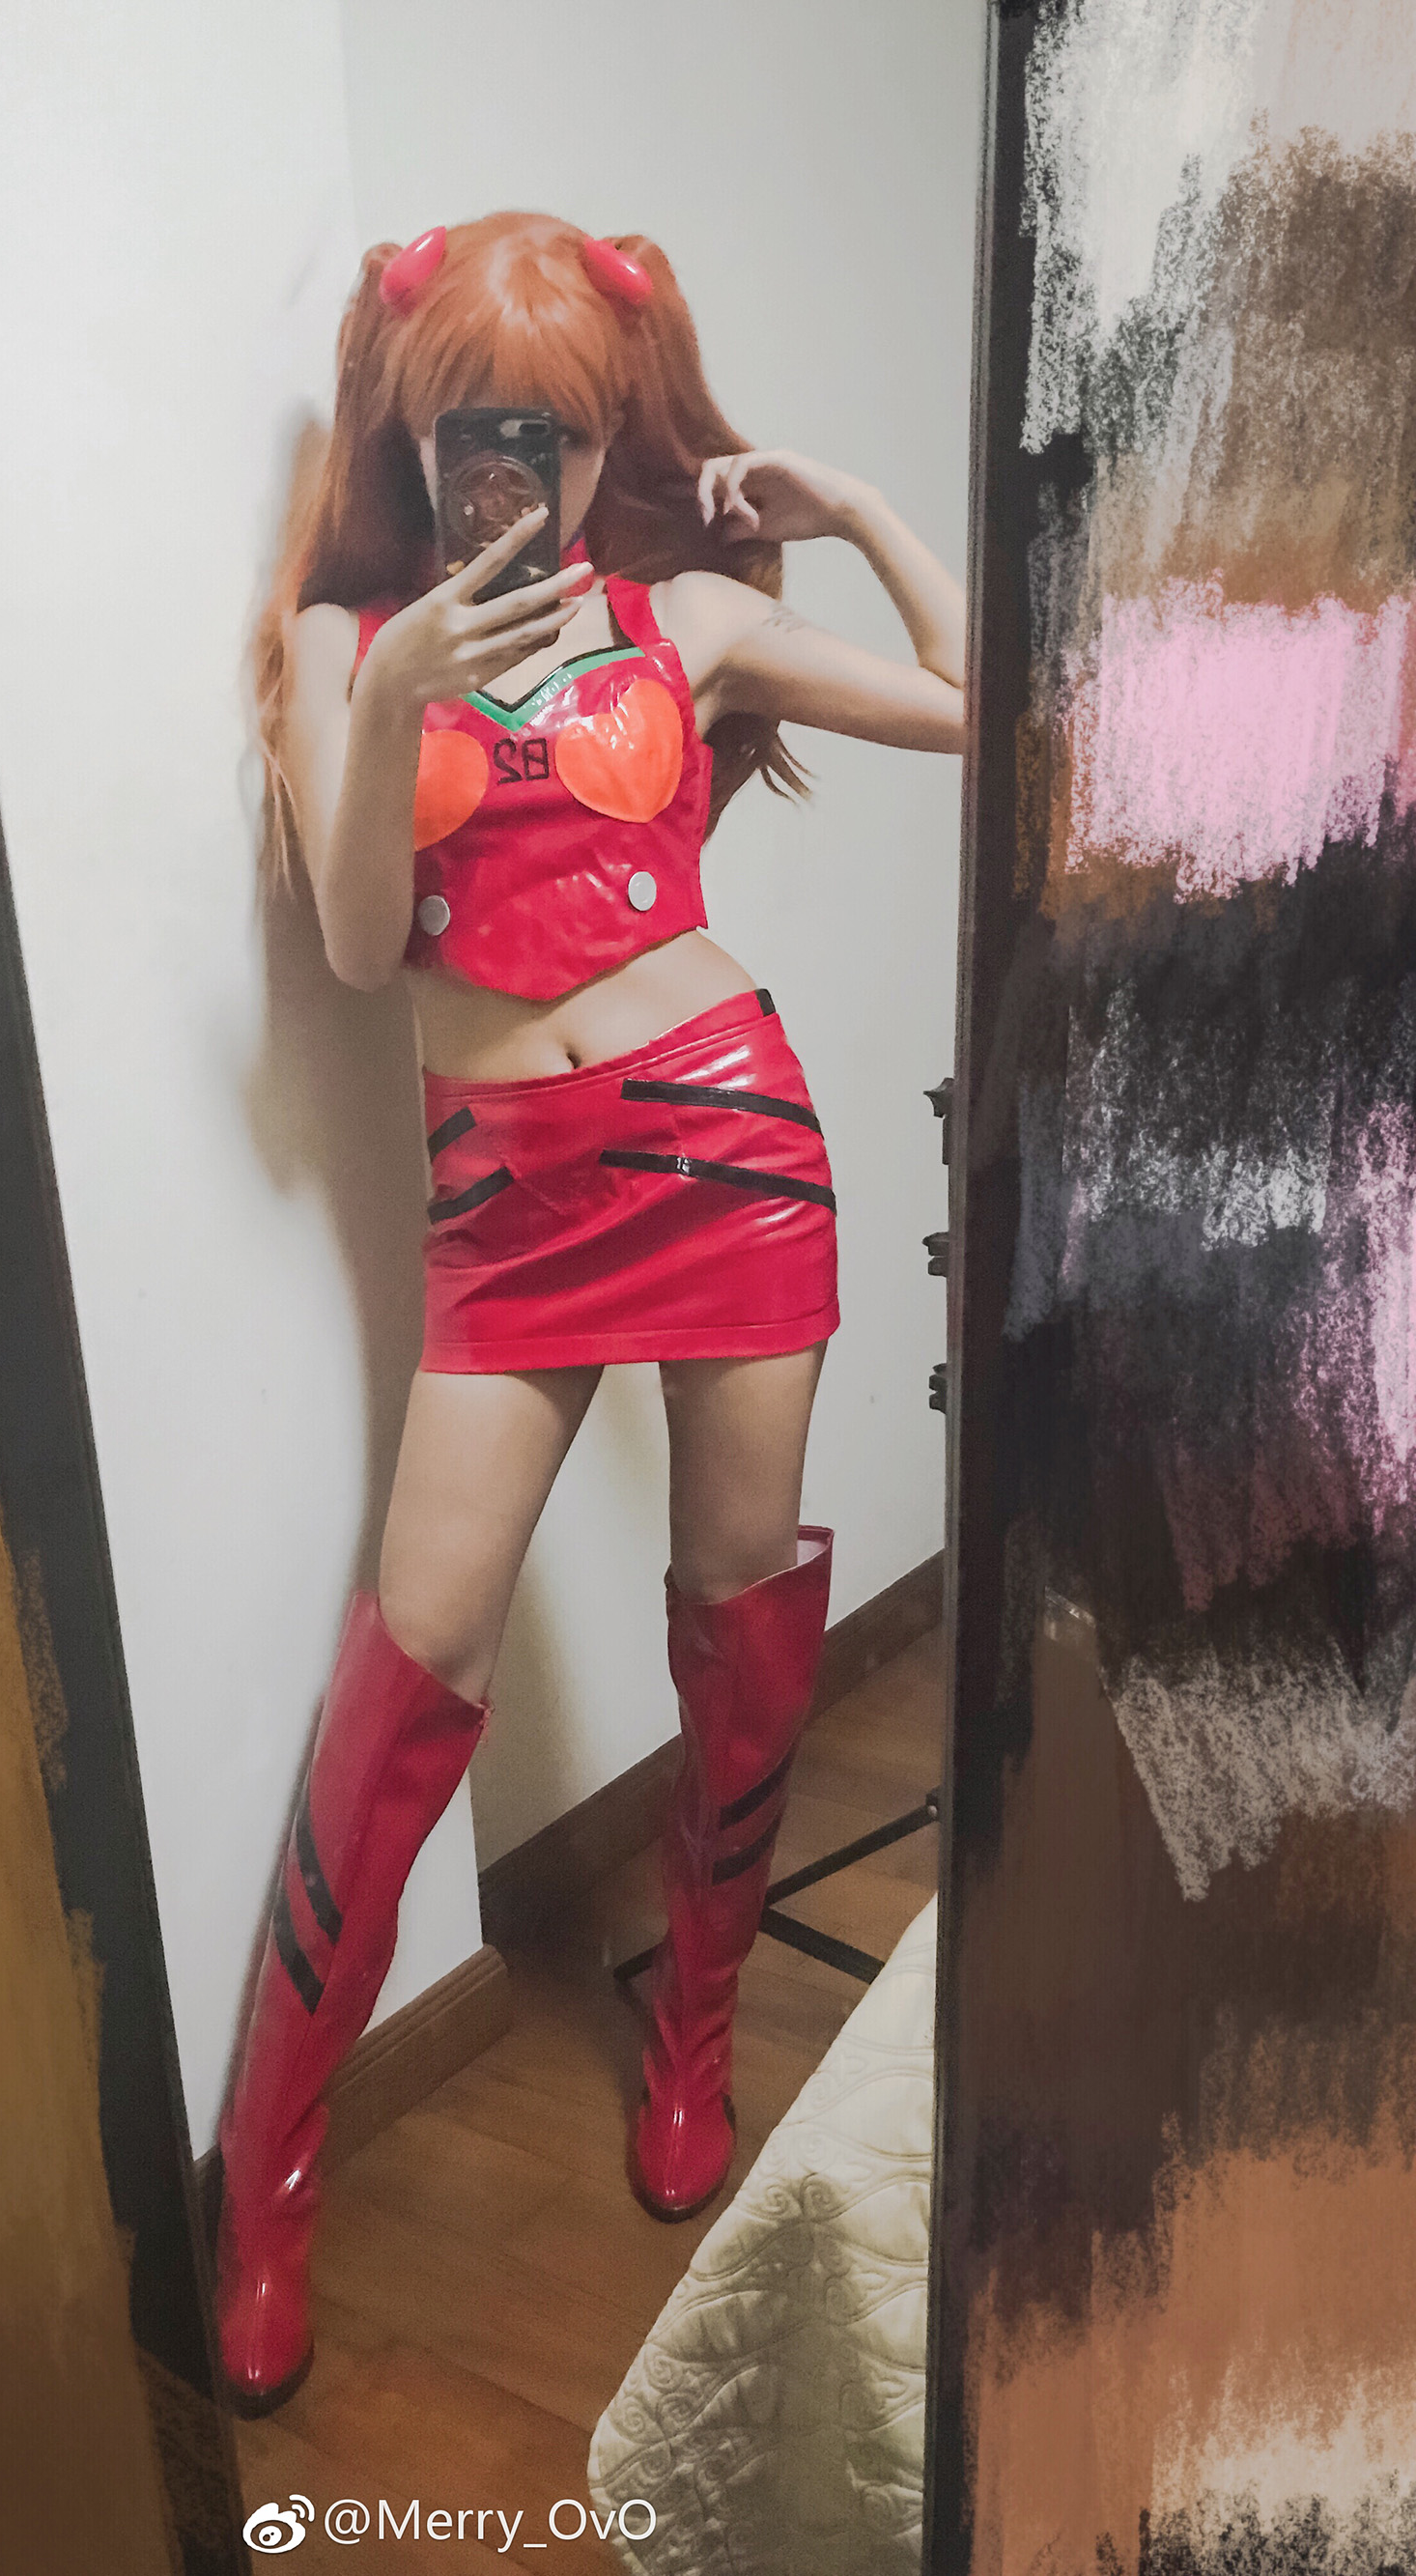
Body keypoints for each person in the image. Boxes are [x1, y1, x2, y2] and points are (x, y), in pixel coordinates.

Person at [218, 211, 965, 2416]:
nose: (506, 471)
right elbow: (365, 950)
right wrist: (397, 701)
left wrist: (856, 509)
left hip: (727, 1147)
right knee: (416, 1655)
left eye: (546, 432)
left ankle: (697, 2031)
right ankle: (264, 2172)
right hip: (503, 1204)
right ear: (410, 432)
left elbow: (991, 712)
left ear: (598, 434)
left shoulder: (687, 619)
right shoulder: (346, 649)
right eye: (470, 427)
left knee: (739, 1610)